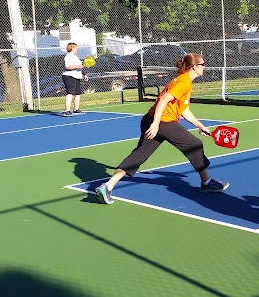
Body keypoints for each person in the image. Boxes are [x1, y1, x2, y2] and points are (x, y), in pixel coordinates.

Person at [93, 53, 229, 205]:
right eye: (202, 64)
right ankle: (206, 183)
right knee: (195, 144)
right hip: (163, 122)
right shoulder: (184, 82)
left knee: (139, 155)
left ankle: (107, 186)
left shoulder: (184, 81)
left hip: (151, 120)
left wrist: (201, 125)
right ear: (194, 67)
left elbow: (183, 110)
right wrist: (156, 123)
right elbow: (164, 99)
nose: (204, 67)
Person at [61, 42, 88, 117]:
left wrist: (84, 74)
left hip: (77, 76)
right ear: (71, 48)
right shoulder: (68, 56)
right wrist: (78, 66)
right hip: (69, 76)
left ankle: (76, 109)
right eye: (75, 47)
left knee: (77, 93)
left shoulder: (75, 57)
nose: (77, 49)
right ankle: (67, 111)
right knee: (70, 93)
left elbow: (80, 67)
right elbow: (68, 67)